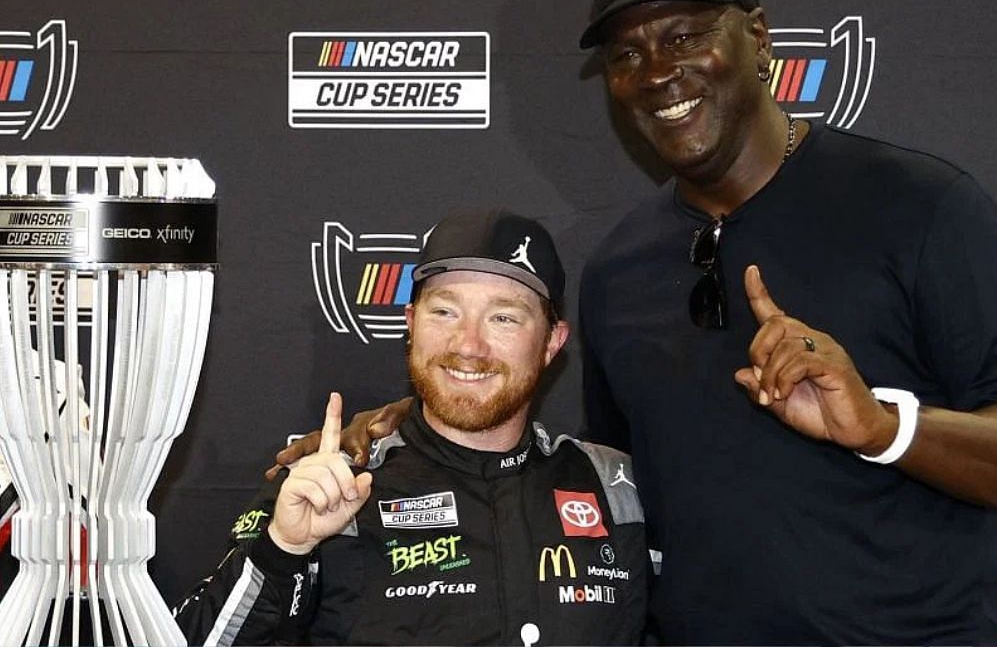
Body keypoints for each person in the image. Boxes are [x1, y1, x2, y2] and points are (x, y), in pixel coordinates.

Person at [278, 0, 997, 645]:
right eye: (626, 55)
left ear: (760, 39)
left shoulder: (918, 207)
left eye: (685, 36)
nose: (658, 73)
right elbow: (610, 486)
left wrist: (884, 427)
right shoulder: (620, 268)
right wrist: (414, 432)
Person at [177, 208, 649, 646]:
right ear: (410, 322)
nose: (468, 345)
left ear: (551, 343)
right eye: (444, 311)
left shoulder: (618, 488)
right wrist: (283, 551)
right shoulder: (326, 484)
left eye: (503, 318)